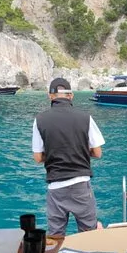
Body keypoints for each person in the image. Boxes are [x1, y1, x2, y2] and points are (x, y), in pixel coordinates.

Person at [32, 77, 105, 236]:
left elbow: (37, 157)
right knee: (88, 234)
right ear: (71, 95)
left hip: (56, 186)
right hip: (81, 185)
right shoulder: (85, 118)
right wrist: (80, 151)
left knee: (56, 236)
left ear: (50, 96)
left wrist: (54, 152)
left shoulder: (40, 120)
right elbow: (97, 153)